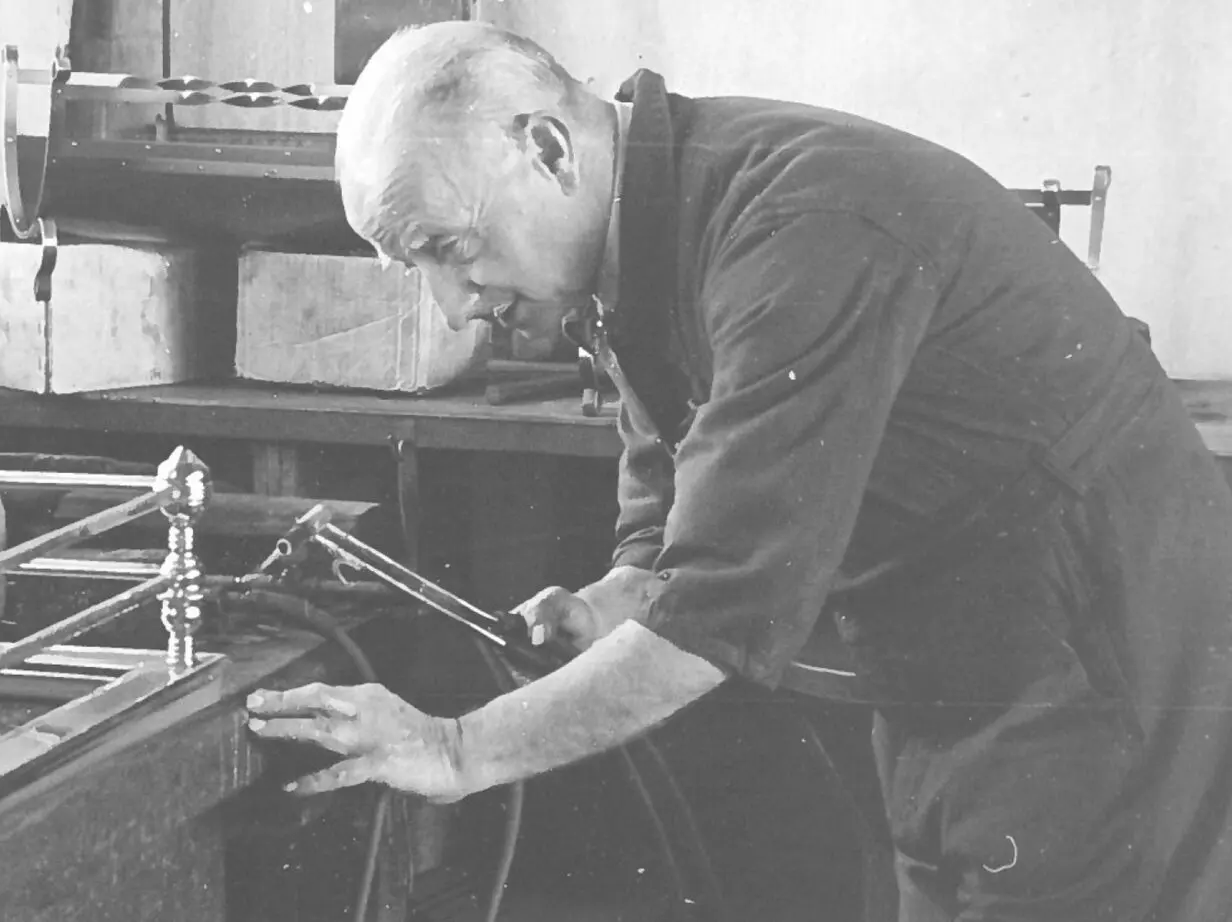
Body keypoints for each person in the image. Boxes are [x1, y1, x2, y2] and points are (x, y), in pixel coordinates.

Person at [246, 21, 1232, 921]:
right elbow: (675, 497)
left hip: (1100, 656)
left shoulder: (794, 232)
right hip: (956, 668)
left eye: (451, 250)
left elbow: (719, 614)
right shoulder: (649, 231)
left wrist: (456, 749)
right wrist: (617, 599)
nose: (454, 306)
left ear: (546, 149)